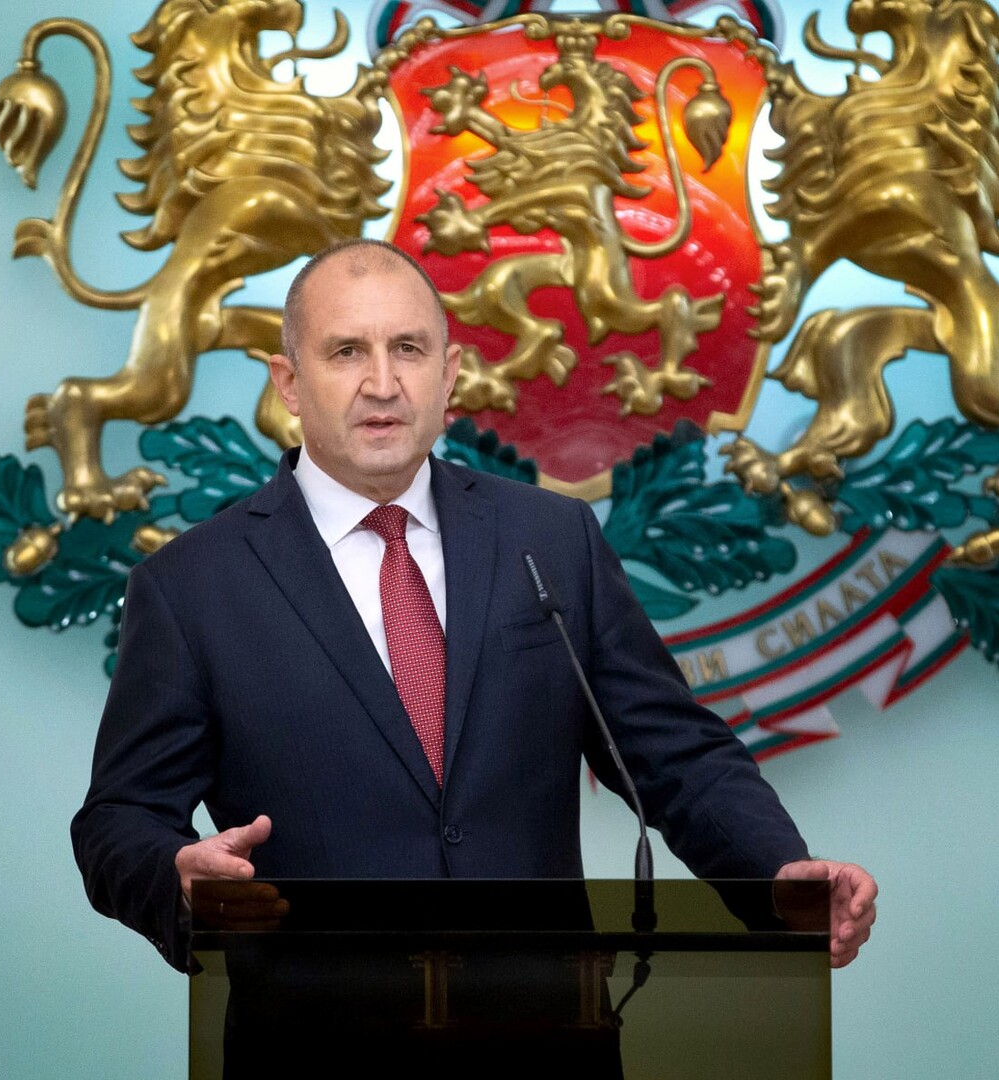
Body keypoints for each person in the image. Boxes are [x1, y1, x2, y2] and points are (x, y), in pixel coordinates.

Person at [71, 239, 876, 975]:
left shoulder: (551, 539)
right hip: (316, 1037)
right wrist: (175, 879)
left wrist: (778, 875)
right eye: (346, 351)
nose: (382, 383)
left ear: (449, 372)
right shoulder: (192, 585)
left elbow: (674, 756)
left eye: (408, 349)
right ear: (288, 381)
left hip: (547, 1030)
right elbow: (119, 818)